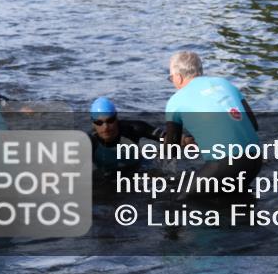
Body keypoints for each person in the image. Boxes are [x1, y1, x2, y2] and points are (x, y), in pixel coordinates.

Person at [164, 51, 262, 193]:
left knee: (178, 200)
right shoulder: (225, 83)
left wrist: (183, 142)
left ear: (178, 77)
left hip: (225, 165)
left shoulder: (175, 101)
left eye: (171, 78)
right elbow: (253, 125)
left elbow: (171, 151)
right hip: (256, 159)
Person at [87, 97, 160, 173]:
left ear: (116, 118)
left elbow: (168, 137)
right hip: (108, 178)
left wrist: (165, 150)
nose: (106, 127)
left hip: (138, 171)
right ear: (93, 124)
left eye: (110, 120)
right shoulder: (90, 142)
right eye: (99, 123)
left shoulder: (132, 129)